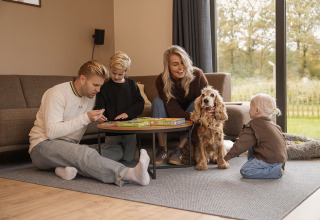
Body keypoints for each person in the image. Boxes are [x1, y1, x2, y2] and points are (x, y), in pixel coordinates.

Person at [29, 60, 150, 186]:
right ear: (82, 79)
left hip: (71, 146)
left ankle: (61, 168)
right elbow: (51, 132)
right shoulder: (57, 93)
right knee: (83, 154)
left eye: (100, 86)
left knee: (115, 150)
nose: (98, 90)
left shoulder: (91, 97)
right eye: (95, 85)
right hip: (43, 145)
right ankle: (128, 174)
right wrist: (86, 117)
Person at [152, 45, 209, 165]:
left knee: (198, 102)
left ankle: (180, 149)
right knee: (157, 102)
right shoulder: (161, 80)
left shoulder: (198, 75)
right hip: (172, 113)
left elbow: (207, 100)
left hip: (192, 110)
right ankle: (163, 149)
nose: (181, 67)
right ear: (168, 65)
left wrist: (199, 113)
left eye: (183, 62)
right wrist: (193, 116)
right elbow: (173, 110)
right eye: (175, 64)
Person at [95, 51, 144, 162]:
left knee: (128, 159)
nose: (116, 77)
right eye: (113, 73)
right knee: (114, 156)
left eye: (120, 74)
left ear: (126, 71)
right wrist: (99, 114)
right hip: (112, 132)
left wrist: (127, 113)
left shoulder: (131, 84)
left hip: (129, 131)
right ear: (109, 68)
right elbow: (99, 105)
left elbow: (140, 103)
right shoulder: (105, 87)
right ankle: (91, 153)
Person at [224, 93, 287, 179]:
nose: (249, 109)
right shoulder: (274, 125)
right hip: (280, 160)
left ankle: (275, 171)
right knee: (253, 141)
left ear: (257, 111)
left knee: (246, 171)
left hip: (269, 160)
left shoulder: (254, 125)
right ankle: (274, 167)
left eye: (250, 107)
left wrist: (227, 156)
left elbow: (240, 144)